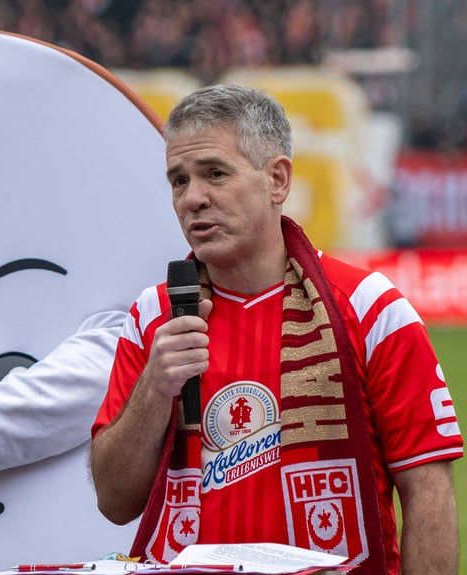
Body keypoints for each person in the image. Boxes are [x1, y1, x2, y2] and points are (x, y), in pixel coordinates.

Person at [89, 83, 463, 574]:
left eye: (215, 174)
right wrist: (156, 387)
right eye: (178, 181)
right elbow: (115, 502)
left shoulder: (374, 311)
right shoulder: (152, 318)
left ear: (277, 181)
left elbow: (428, 491)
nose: (192, 199)